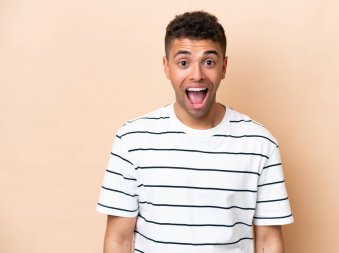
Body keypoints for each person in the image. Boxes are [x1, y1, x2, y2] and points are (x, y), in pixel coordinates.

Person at [97, 11, 293, 253]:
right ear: (167, 67)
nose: (197, 74)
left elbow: (268, 242)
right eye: (183, 63)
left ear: (224, 67)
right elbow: (119, 240)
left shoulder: (261, 144)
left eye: (209, 62)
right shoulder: (131, 140)